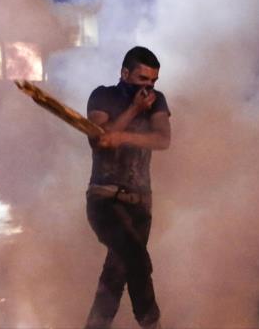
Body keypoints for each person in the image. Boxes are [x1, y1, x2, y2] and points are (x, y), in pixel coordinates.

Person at [84, 46, 172, 329]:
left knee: (116, 274)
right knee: (137, 261)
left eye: (153, 81)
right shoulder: (102, 96)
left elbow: (162, 139)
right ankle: (152, 324)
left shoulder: (156, 102)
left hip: (140, 204)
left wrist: (121, 135)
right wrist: (133, 110)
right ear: (125, 73)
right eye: (142, 79)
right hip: (104, 200)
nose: (148, 88)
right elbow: (99, 142)